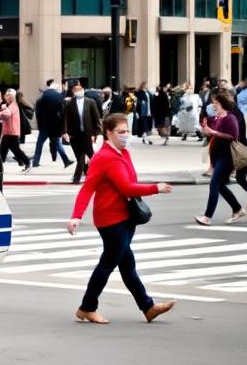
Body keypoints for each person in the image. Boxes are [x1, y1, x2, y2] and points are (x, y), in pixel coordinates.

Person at [67, 113, 175, 324]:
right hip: (110, 219)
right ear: (108, 132)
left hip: (126, 217)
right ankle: (87, 307)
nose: (125, 136)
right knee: (108, 264)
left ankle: (148, 307)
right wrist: (76, 217)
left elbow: (129, 182)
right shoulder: (103, 157)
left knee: (127, 265)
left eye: (127, 131)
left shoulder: (123, 153)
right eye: (121, 132)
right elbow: (91, 188)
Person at [195, 89, 247, 225]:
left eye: (216, 103)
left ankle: (207, 217)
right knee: (220, 186)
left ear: (222, 103)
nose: (213, 106)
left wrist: (213, 132)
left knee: (214, 185)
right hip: (218, 157)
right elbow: (213, 134)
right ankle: (237, 208)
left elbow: (232, 137)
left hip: (227, 157)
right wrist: (206, 130)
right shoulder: (218, 117)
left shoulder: (231, 117)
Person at [63, 79, 102, 183]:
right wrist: (65, 132)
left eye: (79, 90)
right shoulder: (70, 104)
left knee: (84, 156)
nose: (78, 92)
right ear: (73, 92)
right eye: (75, 90)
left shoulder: (90, 102)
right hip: (74, 135)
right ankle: (91, 174)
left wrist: (96, 133)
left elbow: (96, 118)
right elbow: (66, 119)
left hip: (87, 134)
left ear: (83, 91)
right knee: (83, 156)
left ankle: (77, 178)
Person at [32, 80, 72, 168]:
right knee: (57, 143)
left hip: (44, 125)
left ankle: (35, 161)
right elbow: (62, 111)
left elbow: (39, 112)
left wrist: (40, 125)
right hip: (55, 125)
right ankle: (66, 160)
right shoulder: (59, 96)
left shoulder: (43, 97)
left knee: (40, 143)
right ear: (56, 88)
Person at [0, 89, 31, 171]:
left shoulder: (12, 106)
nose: (6, 97)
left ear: (11, 97)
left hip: (11, 132)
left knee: (12, 150)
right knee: (4, 150)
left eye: (7, 96)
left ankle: (27, 163)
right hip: (9, 132)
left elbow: (7, 114)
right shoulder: (10, 105)